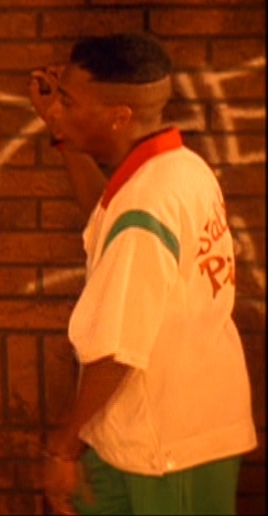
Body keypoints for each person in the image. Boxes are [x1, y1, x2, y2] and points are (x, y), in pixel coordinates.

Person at [27, 33, 257, 515]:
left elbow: (115, 352)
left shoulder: (146, 203)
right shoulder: (179, 168)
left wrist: (62, 448)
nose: (59, 110)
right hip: (144, 433)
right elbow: (104, 215)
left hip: (172, 444)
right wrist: (60, 131)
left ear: (120, 116)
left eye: (68, 101)